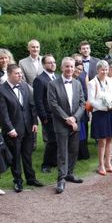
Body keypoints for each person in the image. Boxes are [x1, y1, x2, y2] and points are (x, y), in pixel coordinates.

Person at [0, 65, 41, 192]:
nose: (20, 75)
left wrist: (34, 122)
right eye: (17, 73)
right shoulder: (0, 91)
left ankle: (31, 178)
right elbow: (2, 113)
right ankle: (18, 181)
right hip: (13, 130)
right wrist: (9, 129)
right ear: (9, 75)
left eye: (21, 73)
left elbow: (31, 105)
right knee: (15, 157)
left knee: (27, 155)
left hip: (28, 128)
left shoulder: (25, 86)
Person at [48, 57, 86, 194]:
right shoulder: (53, 84)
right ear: (62, 68)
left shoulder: (77, 83)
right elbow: (53, 105)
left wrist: (75, 118)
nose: (70, 69)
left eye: (72, 66)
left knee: (74, 150)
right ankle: (61, 179)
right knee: (62, 152)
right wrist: (67, 119)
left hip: (75, 123)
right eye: (67, 67)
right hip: (61, 123)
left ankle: (69, 173)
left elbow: (82, 103)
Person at [88, 60, 112, 175]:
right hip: (99, 113)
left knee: (110, 139)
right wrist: (105, 106)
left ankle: (108, 163)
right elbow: (91, 101)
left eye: (106, 69)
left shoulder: (110, 81)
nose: (104, 72)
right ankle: (101, 165)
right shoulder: (92, 83)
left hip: (110, 113)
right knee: (102, 141)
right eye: (102, 69)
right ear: (98, 70)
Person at [33, 54, 59, 173]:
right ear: (44, 65)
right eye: (49, 62)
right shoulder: (39, 80)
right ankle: (46, 164)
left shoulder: (58, 77)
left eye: (54, 62)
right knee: (51, 140)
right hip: (48, 116)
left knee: (58, 139)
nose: (52, 64)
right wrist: (43, 117)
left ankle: (55, 161)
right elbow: (38, 100)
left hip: (60, 115)